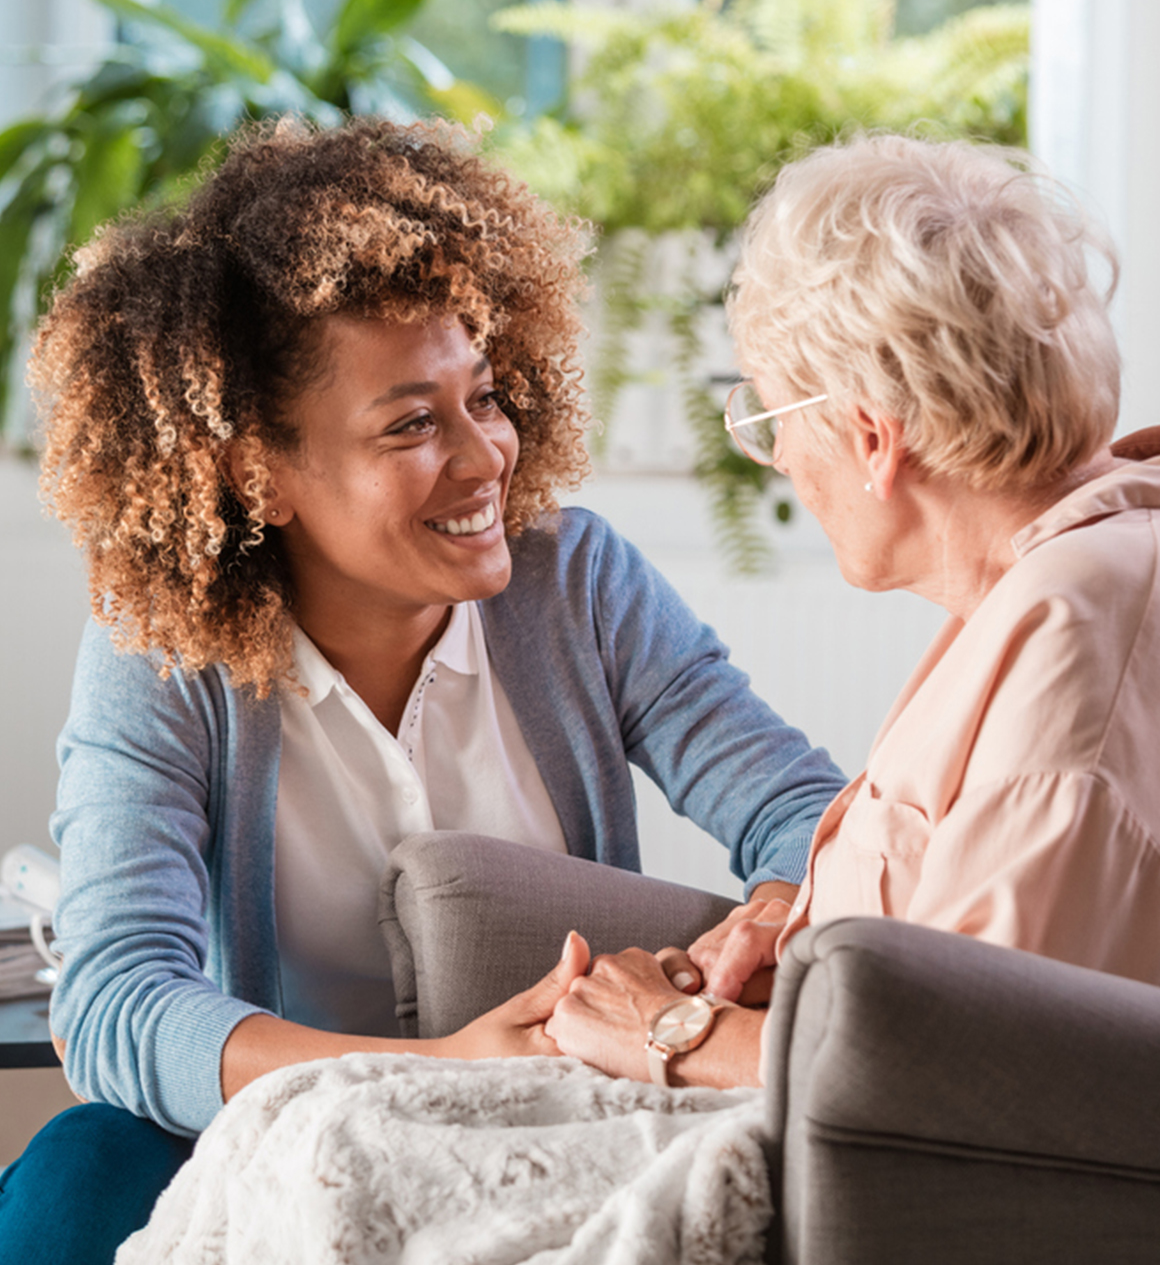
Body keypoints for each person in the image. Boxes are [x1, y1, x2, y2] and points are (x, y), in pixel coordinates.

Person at [0, 117, 845, 1264]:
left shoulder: (577, 584)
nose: (486, 453)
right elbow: (114, 1001)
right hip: (283, 1136)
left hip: (554, 1126)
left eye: (484, 396)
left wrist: (756, 929)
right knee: (76, 1174)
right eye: (410, 422)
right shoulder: (162, 653)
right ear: (260, 471)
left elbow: (808, 814)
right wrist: (436, 1070)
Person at [544, 132, 1160, 1089]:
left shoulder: (1075, 626)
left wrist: (672, 1032)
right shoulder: (1054, 583)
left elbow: (970, 1071)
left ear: (872, 436)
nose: (781, 458)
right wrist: (795, 934)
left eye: (771, 419)